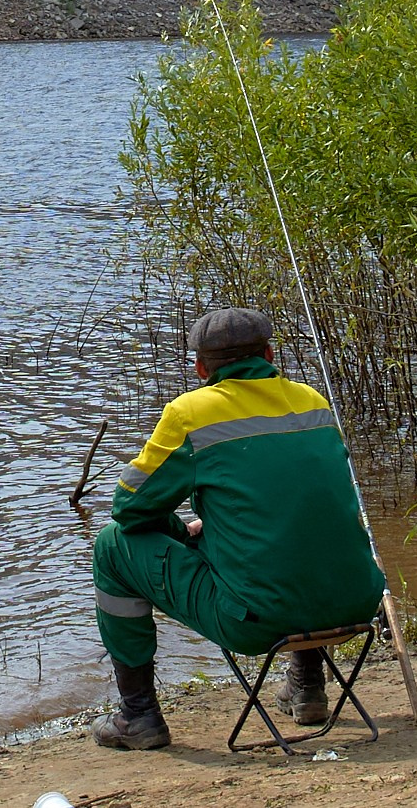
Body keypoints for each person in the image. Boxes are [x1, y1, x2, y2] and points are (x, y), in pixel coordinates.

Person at [89, 307, 388, 749]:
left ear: (200, 367)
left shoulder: (191, 413)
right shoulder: (313, 401)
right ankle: (307, 684)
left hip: (259, 624)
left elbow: (128, 508)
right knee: (290, 525)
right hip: (355, 604)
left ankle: (139, 715)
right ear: (269, 353)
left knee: (113, 546)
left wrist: (177, 530)